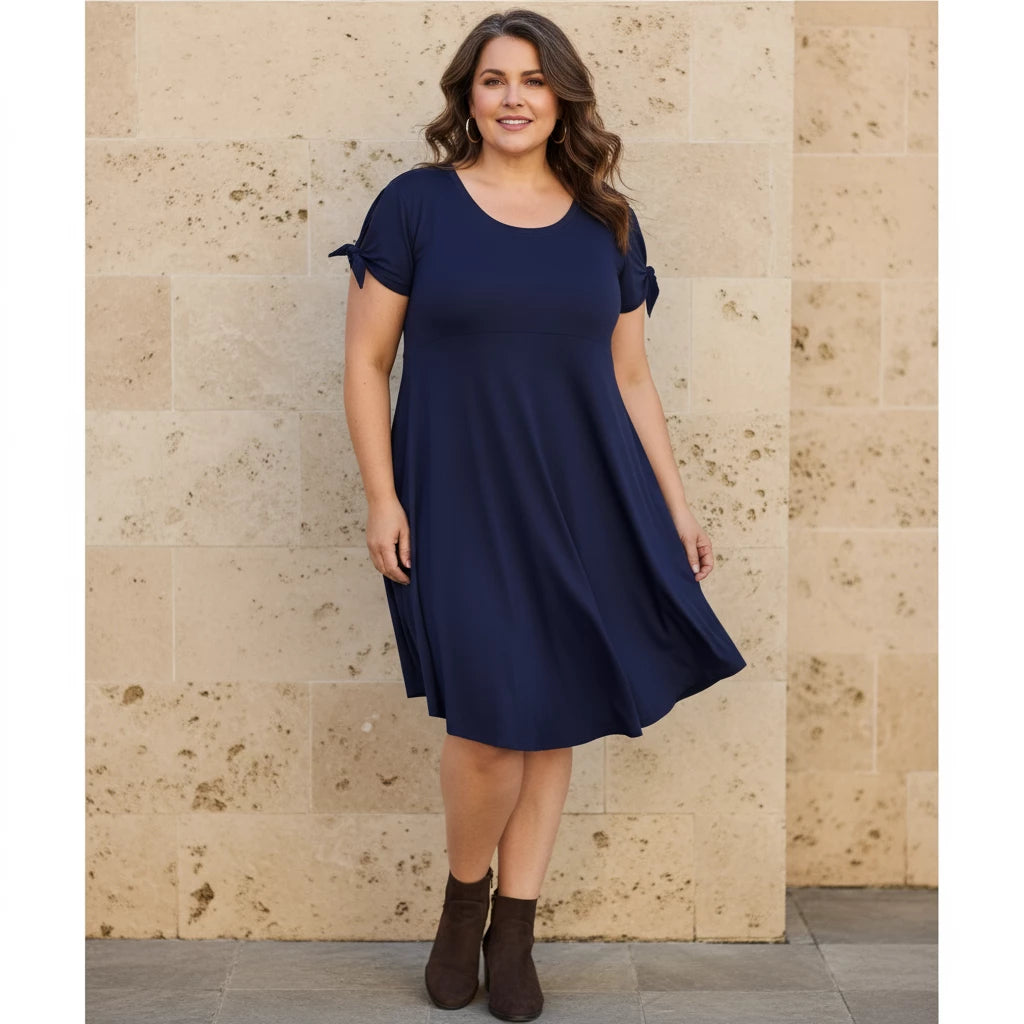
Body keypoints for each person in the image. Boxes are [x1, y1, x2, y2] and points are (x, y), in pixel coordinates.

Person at [329, 8, 747, 1021]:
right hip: (456, 500)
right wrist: (383, 496)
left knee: (551, 714)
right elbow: (366, 362)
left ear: (562, 96)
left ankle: (513, 929)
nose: (513, 97)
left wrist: (677, 507)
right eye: (493, 79)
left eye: (532, 79)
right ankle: (462, 898)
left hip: (584, 498)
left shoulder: (607, 223)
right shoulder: (416, 207)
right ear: (467, 97)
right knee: (487, 729)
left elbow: (631, 378)